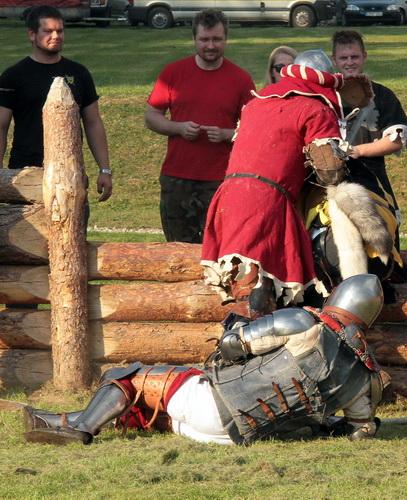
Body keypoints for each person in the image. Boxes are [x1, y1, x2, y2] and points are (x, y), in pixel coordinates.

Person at [22, 274, 387, 445]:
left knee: (132, 377)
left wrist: (236, 333)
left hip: (213, 406)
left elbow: (233, 345)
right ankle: (57, 420)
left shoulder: (305, 323)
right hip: (241, 437)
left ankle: (82, 428)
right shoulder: (367, 377)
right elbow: (360, 430)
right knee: (169, 398)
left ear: (337, 296)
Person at [200, 49, 352, 321]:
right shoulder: (315, 109)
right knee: (260, 285)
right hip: (266, 199)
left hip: (228, 195)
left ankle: (245, 333)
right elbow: (330, 172)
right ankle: (246, 339)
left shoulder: (256, 103)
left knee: (248, 279)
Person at [145, 9, 254, 243]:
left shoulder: (241, 79)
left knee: (220, 247)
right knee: (178, 250)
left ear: (226, 39)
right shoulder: (173, 73)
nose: (211, 46)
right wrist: (178, 128)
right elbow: (151, 116)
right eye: (204, 39)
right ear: (194, 39)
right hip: (178, 178)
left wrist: (227, 134)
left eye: (217, 39)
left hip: (222, 180)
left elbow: (254, 129)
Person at [0, 5, 112, 202]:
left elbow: (93, 122)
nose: (56, 36)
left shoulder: (79, 73)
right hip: (25, 172)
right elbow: (1, 126)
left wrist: (105, 169)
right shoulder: (14, 76)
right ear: (32, 34)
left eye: (60, 31)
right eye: (48, 31)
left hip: (70, 173)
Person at [330, 30, 407, 245]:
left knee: (385, 239)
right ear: (334, 60)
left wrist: (357, 151)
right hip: (328, 182)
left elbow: (397, 140)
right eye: (343, 57)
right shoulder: (325, 96)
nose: (349, 62)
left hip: (372, 179)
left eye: (354, 57)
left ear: (364, 57)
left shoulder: (382, 95)